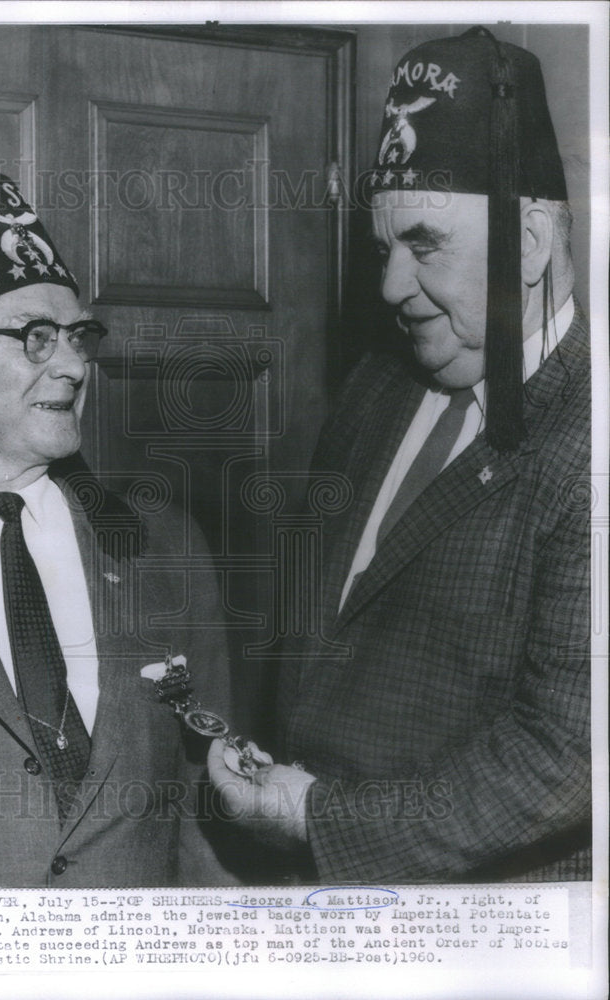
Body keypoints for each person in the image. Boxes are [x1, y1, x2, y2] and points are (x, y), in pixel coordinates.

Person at [208, 27, 591, 882]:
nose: (389, 287)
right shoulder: (380, 386)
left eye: (425, 244)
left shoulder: (587, 450)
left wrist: (313, 818)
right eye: (384, 249)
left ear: (527, 243)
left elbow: (562, 761)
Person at [0, 170, 236, 887]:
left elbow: (209, 812)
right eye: (35, 338)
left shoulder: (164, 547)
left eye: (76, 336)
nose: (71, 365)